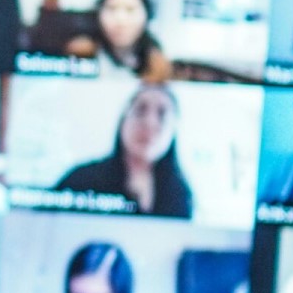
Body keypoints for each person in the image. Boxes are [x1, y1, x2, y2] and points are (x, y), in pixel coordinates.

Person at [54, 85, 193, 218]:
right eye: (140, 111)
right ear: (123, 120)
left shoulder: (180, 194)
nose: (149, 123)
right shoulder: (80, 180)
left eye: (162, 115)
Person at [66, 0, 172, 82]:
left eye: (130, 9)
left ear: (147, 14)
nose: (120, 19)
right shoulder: (81, 51)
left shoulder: (156, 62)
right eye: (111, 8)